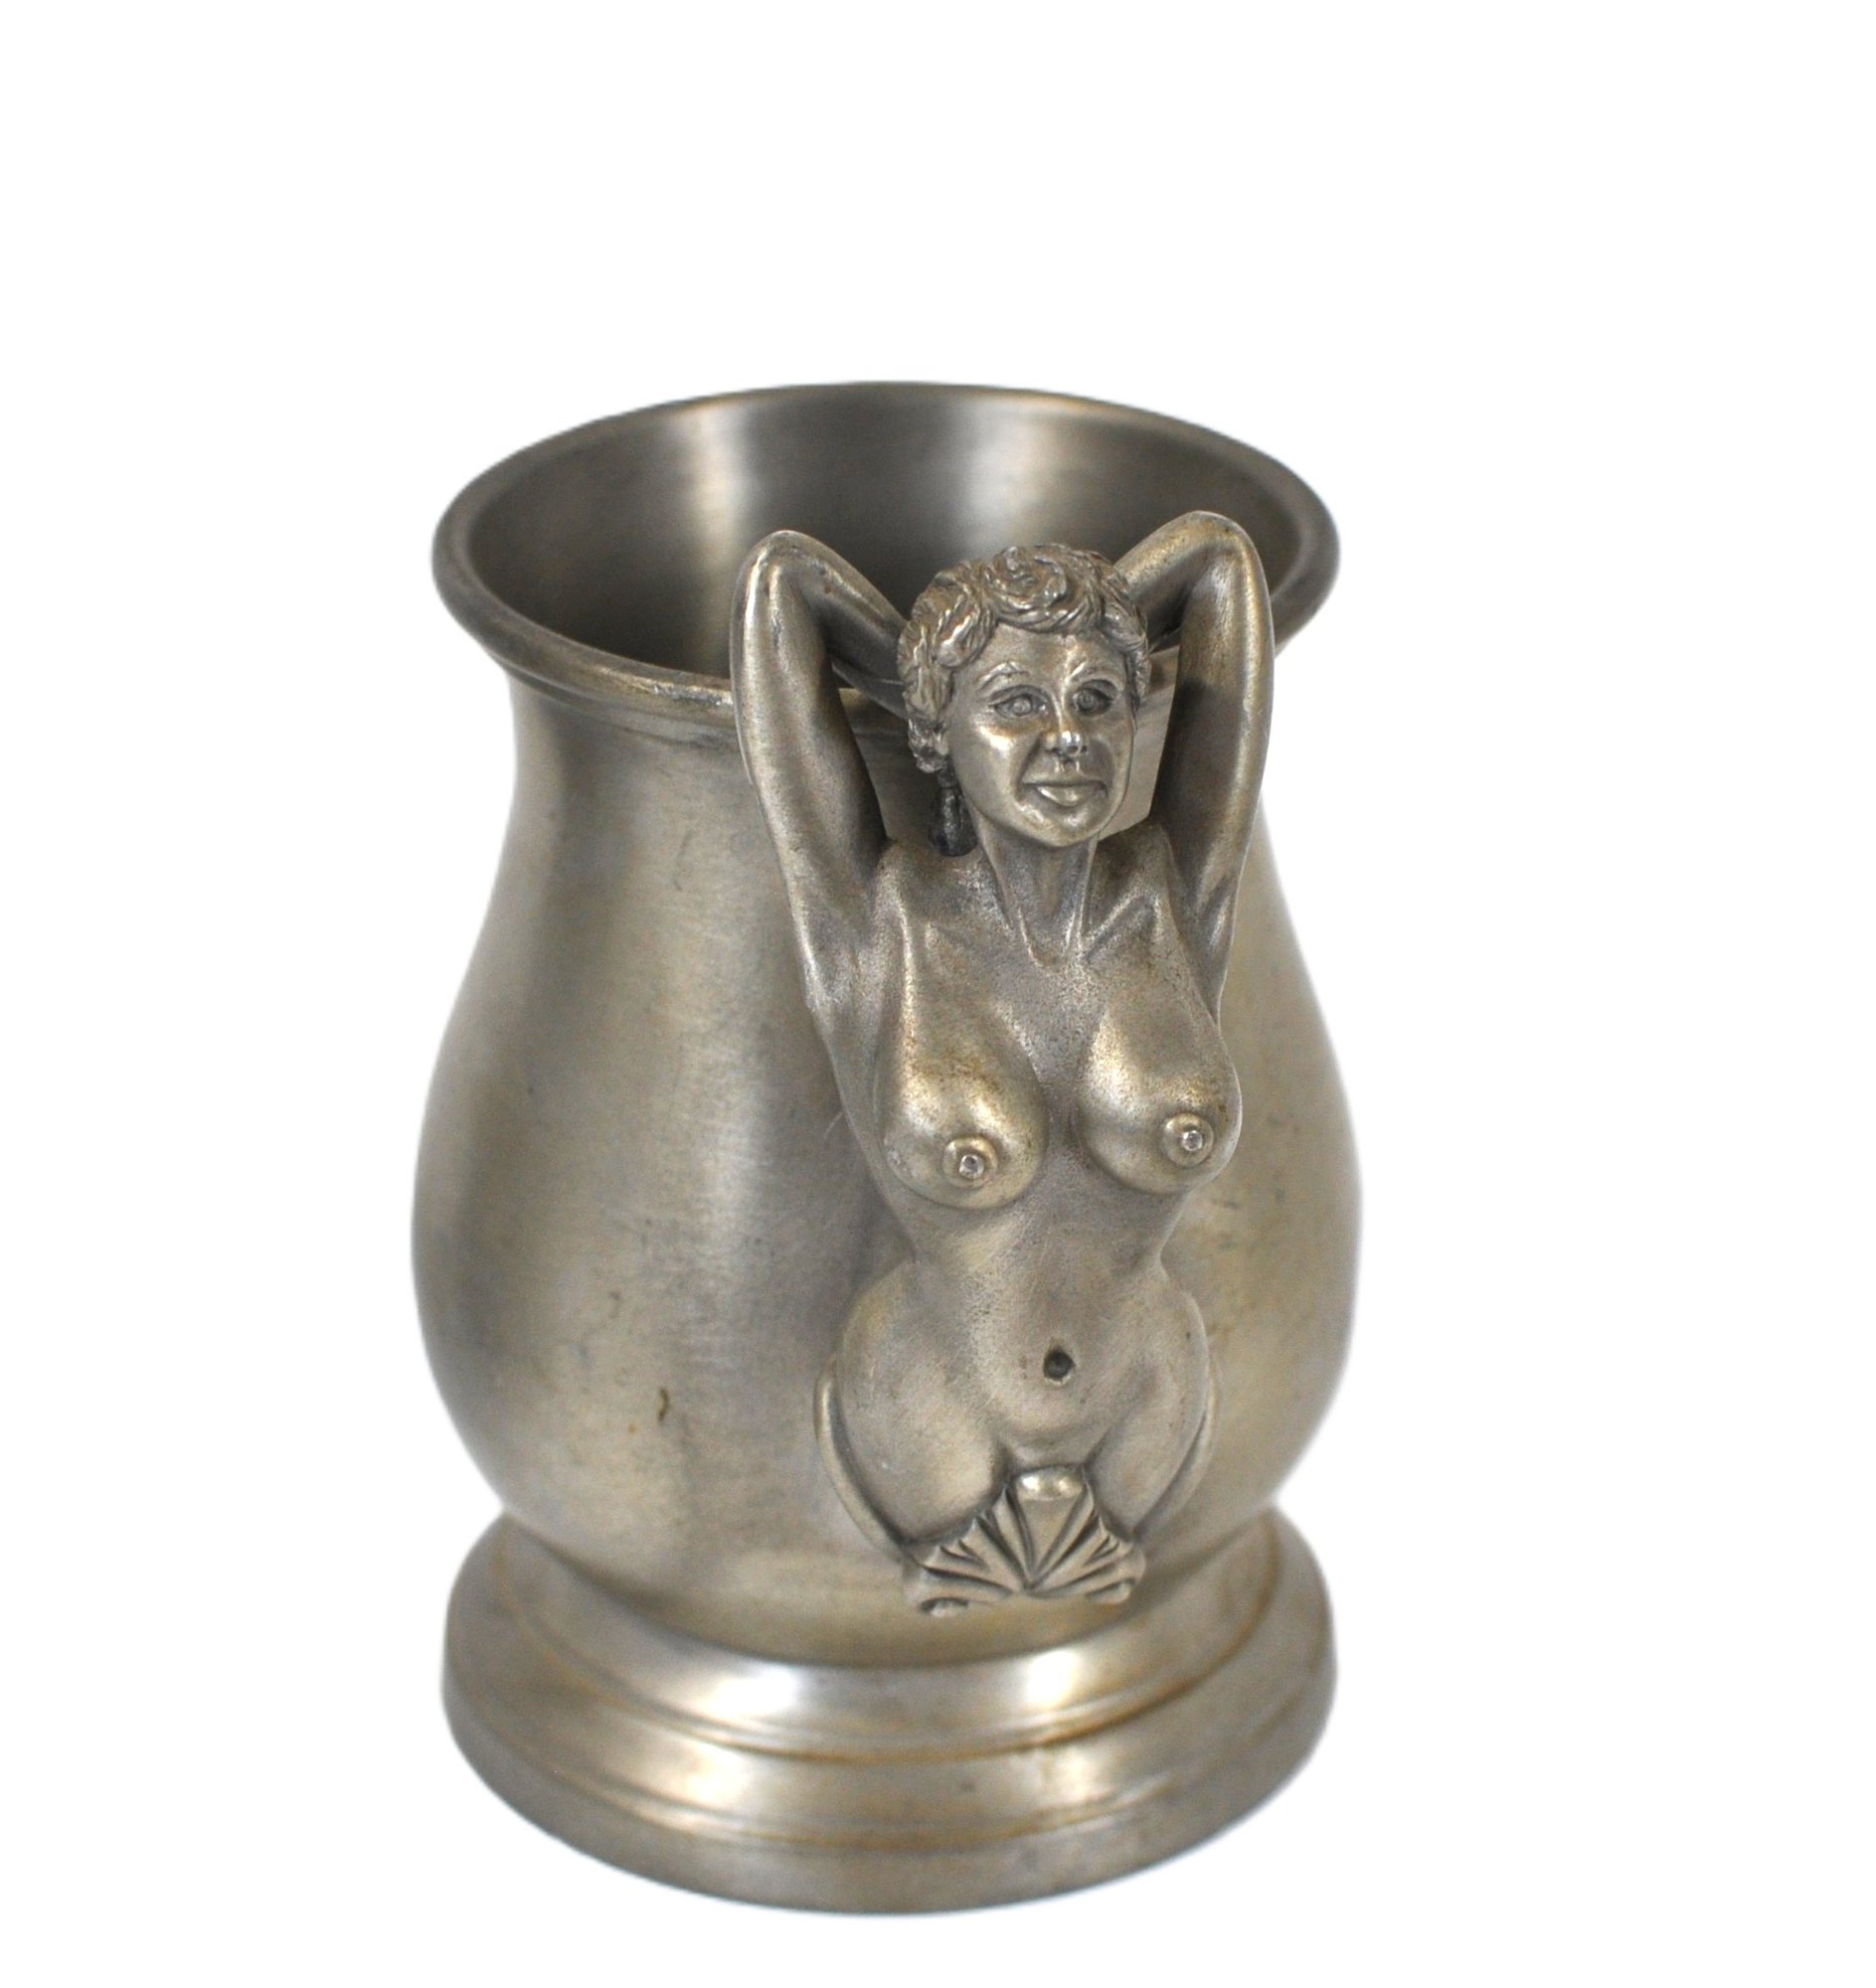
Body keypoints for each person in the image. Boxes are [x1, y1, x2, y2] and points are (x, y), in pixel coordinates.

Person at [731, 513, 1273, 1611]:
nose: (1069, 737)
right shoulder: (881, 927)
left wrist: (1085, 615)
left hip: (1150, 1405)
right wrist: (936, 656)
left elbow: (1221, 562)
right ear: (941, 734)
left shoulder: (1171, 904)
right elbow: (782, 584)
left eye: (1099, 699)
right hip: (923, 1420)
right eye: (1018, 704)